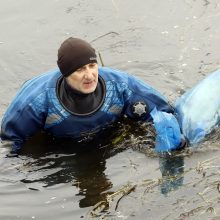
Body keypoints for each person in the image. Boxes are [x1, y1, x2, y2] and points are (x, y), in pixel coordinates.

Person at [0, 37, 183, 155]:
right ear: (65, 74)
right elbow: (8, 143)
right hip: (60, 146)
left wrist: (176, 139)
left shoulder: (120, 86)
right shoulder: (36, 101)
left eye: (92, 66)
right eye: (80, 69)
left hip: (106, 138)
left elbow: (164, 112)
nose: (89, 75)